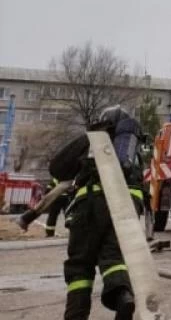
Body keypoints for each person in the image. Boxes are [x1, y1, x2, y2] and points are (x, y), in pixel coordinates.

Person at [49, 105, 146, 320]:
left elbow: (57, 167)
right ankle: (123, 297)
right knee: (114, 259)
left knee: (80, 267)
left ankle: (76, 316)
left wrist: (87, 138)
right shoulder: (133, 150)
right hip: (126, 210)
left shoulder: (94, 141)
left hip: (90, 206)